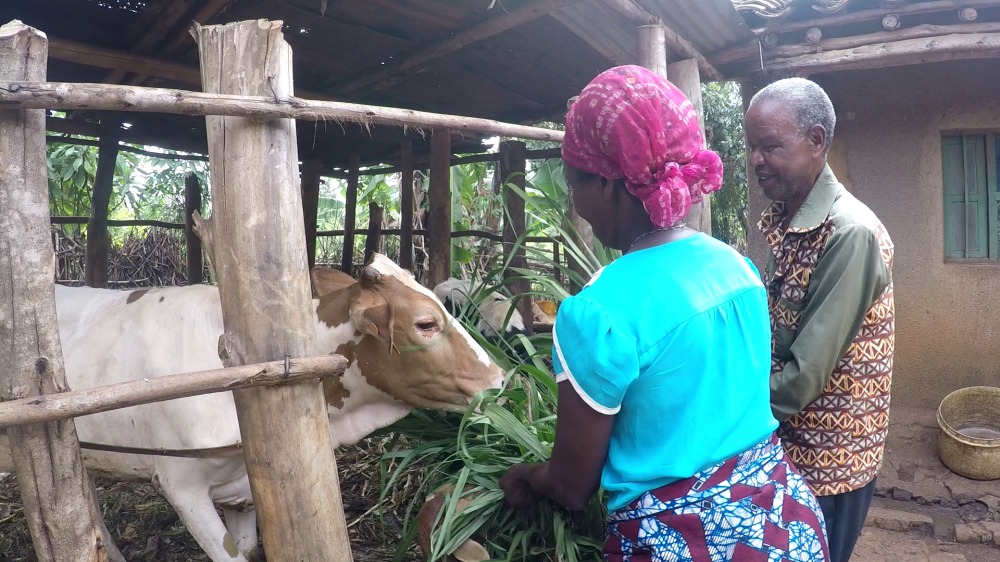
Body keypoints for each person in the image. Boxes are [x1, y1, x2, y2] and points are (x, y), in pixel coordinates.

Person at [498, 65, 829, 562]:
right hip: (786, 527)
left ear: (608, 186)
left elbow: (571, 487)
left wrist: (529, 475)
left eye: (574, 185)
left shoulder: (597, 314)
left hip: (683, 544)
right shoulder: (736, 268)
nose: (576, 201)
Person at [744, 78, 895, 562]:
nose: (755, 160)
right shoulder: (790, 219)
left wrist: (717, 406)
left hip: (830, 463)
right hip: (793, 449)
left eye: (770, 146)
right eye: (752, 146)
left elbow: (802, 377)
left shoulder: (849, 234)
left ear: (815, 141)